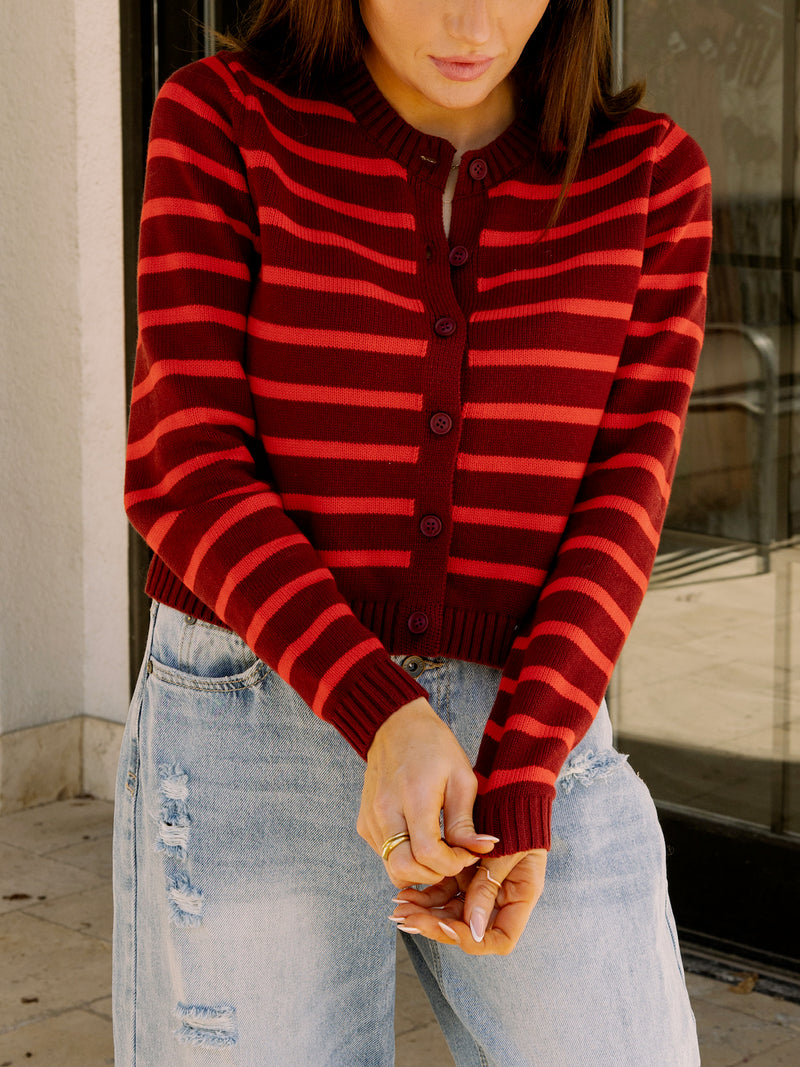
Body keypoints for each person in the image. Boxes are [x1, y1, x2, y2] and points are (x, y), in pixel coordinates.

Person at [113, 0, 712, 1063]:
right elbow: (184, 466)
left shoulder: (647, 179)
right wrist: (377, 704)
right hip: (257, 710)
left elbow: (622, 504)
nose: (471, 19)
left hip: (530, 720)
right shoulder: (225, 121)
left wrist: (526, 766)